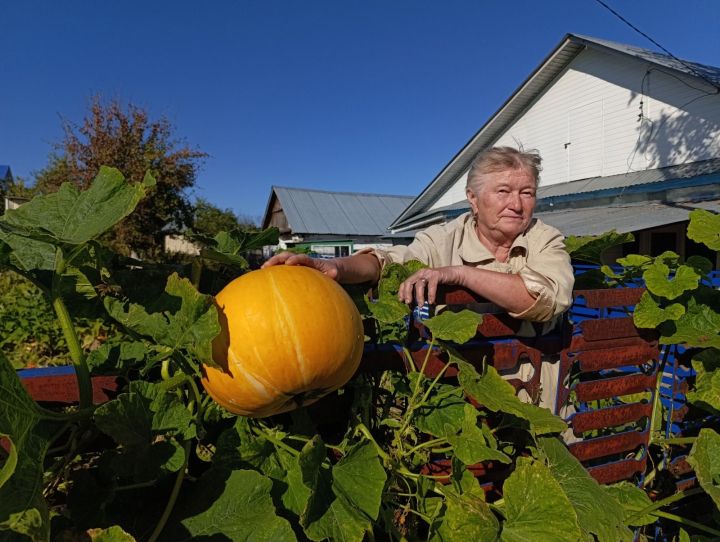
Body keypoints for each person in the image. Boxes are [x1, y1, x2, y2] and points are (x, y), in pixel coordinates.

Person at [263, 146, 575, 412]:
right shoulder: (443, 238)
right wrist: (335, 268)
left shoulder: (545, 239)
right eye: (503, 191)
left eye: (527, 193)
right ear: (473, 198)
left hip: (539, 400)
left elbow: (544, 299)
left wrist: (460, 273)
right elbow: (389, 263)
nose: (517, 204)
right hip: (459, 400)